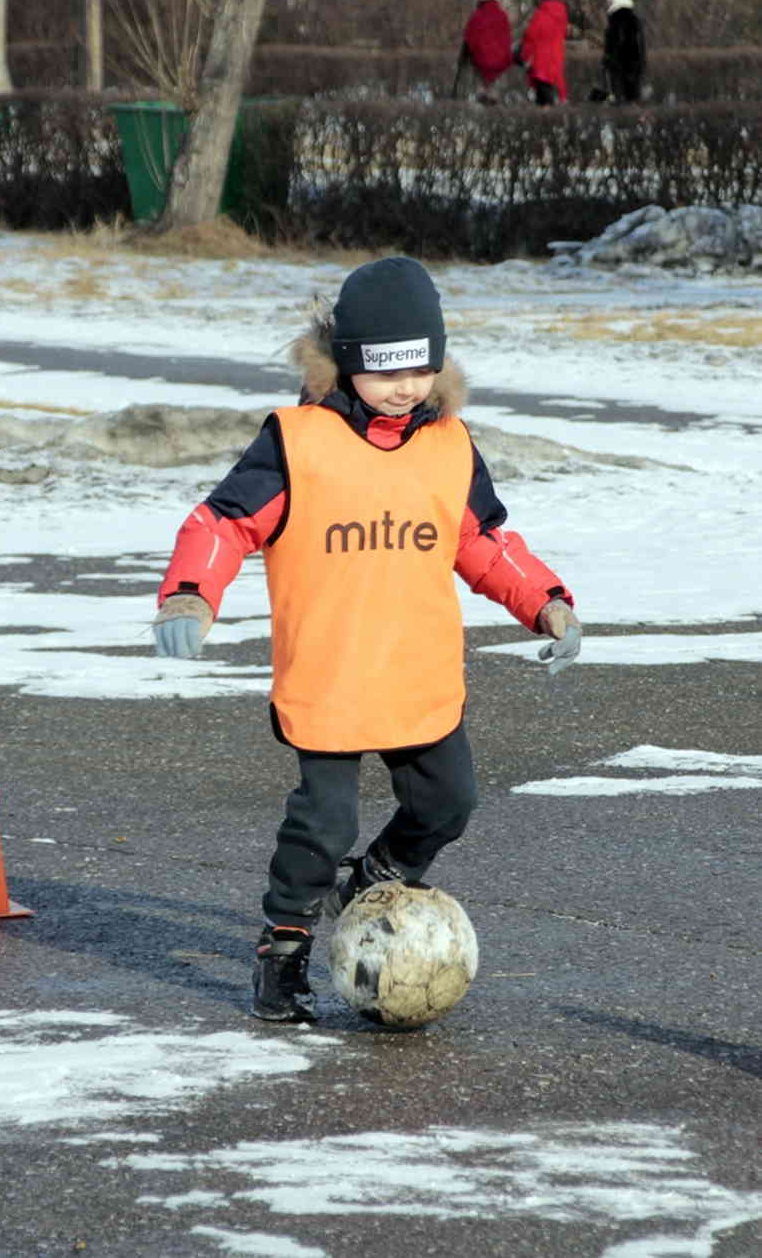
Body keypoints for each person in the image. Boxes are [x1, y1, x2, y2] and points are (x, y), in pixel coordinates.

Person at [153, 257, 582, 1023]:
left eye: (419, 368)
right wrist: (192, 594)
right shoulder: (297, 441)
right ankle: (282, 952)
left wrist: (545, 602)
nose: (404, 387)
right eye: (385, 371)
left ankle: (376, 881)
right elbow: (221, 523)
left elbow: (482, 539)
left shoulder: (448, 444)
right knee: (324, 827)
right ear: (347, 363)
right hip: (332, 672)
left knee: (451, 802)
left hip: (417, 670)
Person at [454, 0, 513, 103]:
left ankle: (483, 100)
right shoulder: (503, 16)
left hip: (480, 61)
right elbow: (506, 40)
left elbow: (469, 39)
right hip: (500, 63)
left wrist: (464, 57)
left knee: (481, 90)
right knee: (494, 91)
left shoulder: (476, 17)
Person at [516, 0, 569, 105]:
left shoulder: (540, 16)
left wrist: (525, 55)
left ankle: (546, 115)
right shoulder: (562, 16)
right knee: (554, 87)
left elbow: (530, 36)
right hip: (556, 58)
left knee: (543, 97)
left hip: (540, 61)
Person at [603, 0, 646, 104]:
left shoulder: (617, 22)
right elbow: (638, 49)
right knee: (632, 99)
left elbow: (615, 47)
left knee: (618, 101)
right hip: (633, 70)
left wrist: (609, 59)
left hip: (620, 71)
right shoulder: (634, 22)